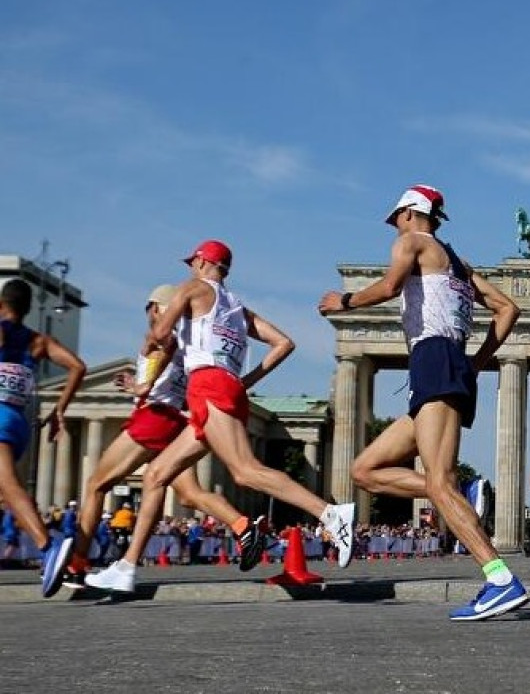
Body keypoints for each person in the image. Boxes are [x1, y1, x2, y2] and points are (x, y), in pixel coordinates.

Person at [91, 240, 357, 592]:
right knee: (156, 474)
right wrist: (245, 380)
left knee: (245, 471)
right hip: (224, 385)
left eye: (192, 262)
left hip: (207, 384)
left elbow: (159, 334)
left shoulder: (193, 289)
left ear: (202, 262)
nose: (190, 268)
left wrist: (151, 343)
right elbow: (284, 343)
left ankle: (330, 513)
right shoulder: (235, 307)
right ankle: (126, 567)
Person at [319, 183, 528, 621]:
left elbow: (392, 285)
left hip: (433, 357)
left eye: (395, 217)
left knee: (436, 480)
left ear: (411, 213)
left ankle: (499, 579)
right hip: (444, 363)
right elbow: (507, 309)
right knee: (365, 470)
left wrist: (346, 302)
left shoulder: (411, 243)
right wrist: (475, 363)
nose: (393, 226)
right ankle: (463, 492)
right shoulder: (458, 263)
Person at [72, 284, 268, 592]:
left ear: (157, 308)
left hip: (155, 416)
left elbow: (166, 348)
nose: (150, 314)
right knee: (190, 494)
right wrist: (139, 383)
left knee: (97, 483)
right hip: (175, 419)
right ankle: (243, 526)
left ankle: (77, 563)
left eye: (151, 307)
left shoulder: (168, 336)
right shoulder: (191, 338)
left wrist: (142, 387)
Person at [0, 278, 86, 596]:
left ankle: (48, 545)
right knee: (8, 491)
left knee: (9, 485)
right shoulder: (38, 340)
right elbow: (77, 366)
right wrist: (60, 409)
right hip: (19, 419)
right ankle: (48, 543)